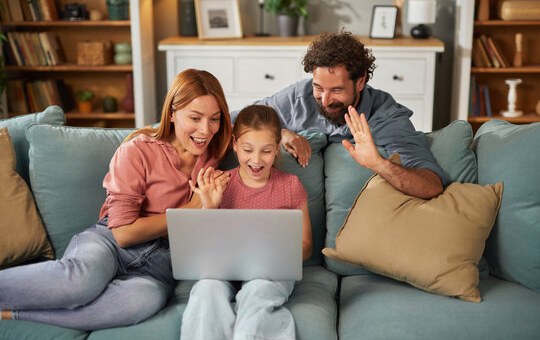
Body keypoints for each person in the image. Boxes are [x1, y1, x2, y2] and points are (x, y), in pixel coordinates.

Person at [0, 69, 232, 330]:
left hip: (159, 266)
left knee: (143, 301)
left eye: (215, 119)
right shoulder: (137, 150)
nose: (206, 129)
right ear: (172, 113)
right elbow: (122, 233)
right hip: (110, 243)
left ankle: (13, 314)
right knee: (82, 282)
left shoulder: (214, 151)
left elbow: (258, 121)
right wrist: (188, 213)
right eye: (195, 117)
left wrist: (286, 133)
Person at [233, 30, 447, 200]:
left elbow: (432, 185)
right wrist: (280, 132)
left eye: (336, 90)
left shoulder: (386, 116)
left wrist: (378, 163)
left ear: (361, 81)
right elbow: (233, 121)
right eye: (318, 87)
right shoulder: (299, 97)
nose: (325, 100)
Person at [181, 105, 313, 340]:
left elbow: (306, 245)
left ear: (276, 149)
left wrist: (275, 253)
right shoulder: (221, 182)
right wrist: (209, 208)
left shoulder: (291, 185)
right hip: (225, 269)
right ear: (234, 145)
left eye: (266, 151)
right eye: (248, 149)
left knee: (258, 290)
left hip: (272, 271)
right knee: (207, 289)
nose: (256, 159)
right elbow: (202, 249)